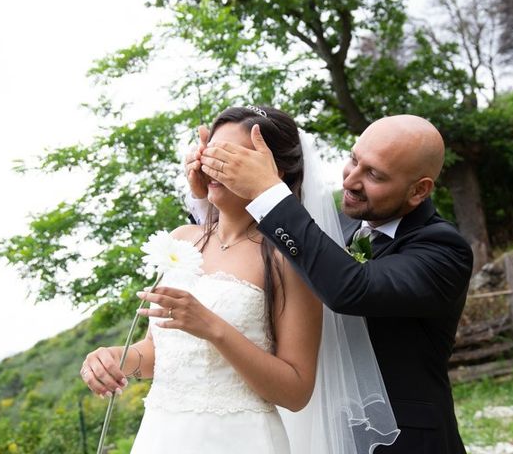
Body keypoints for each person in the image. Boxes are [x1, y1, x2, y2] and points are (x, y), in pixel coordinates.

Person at [80, 106, 398, 454]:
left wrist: (212, 327)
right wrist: (113, 360)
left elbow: (296, 391)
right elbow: (158, 354)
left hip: (240, 439)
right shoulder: (182, 239)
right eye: (212, 152)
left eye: (232, 156)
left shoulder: (287, 259)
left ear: (273, 171)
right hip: (162, 435)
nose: (215, 165)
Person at [193, 114, 474, 453]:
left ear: (419, 190)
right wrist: (208, 194)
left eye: (374, 175)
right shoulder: (334, 226)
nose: (351, 180)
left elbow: (351, 288)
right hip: (318, 431)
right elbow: (251, 248)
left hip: (401, 440)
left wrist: (268, 191)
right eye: (354, 159)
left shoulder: (443, 250)